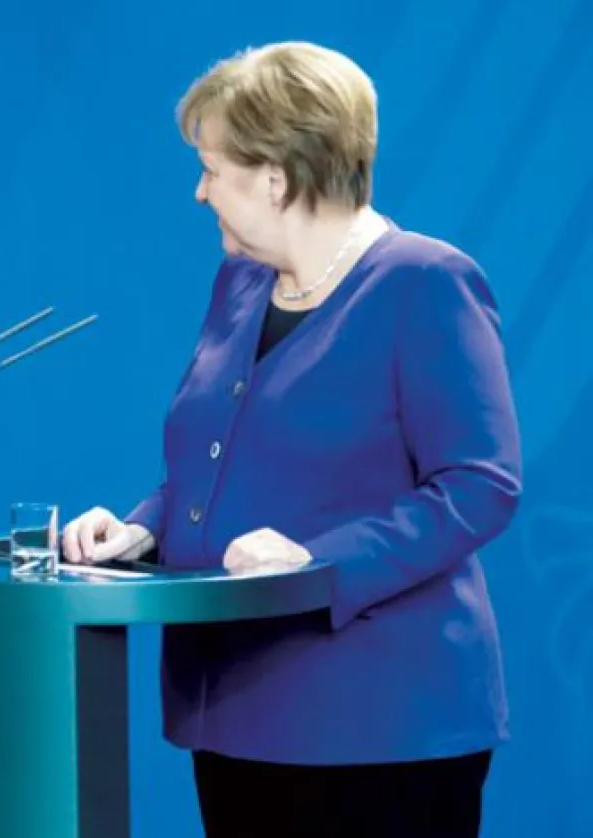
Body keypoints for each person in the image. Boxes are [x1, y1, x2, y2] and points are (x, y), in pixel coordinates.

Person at [62, 41, 521, 837]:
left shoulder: (425, 283)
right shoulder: (240, 284)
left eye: (211, 169)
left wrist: (319, 564)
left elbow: (480, 484)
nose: (200, 192)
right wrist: (143, 527)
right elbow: (214, 458)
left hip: (380, 728)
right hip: (235, 714)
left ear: (274, 178)